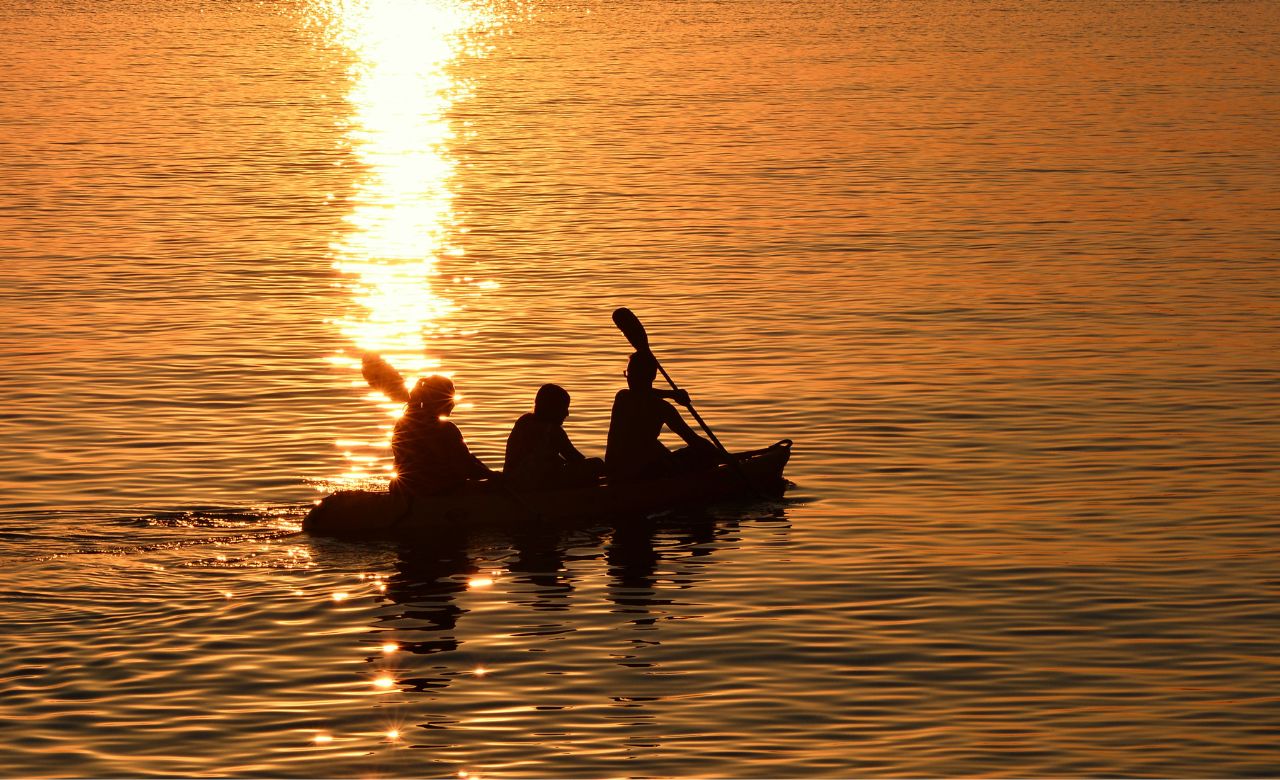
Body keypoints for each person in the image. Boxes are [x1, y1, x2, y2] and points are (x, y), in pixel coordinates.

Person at [605, 350, 721, 481]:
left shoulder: (626, 399)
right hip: (635, 474)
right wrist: (672, 394)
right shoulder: (626, 398)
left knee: (675, 450)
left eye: (631, 375)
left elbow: (691, 438)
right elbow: (693, 439)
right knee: (702, 453)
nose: (628, 379)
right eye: (628, 374)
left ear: (651, 376)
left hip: (621, 472)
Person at [390, 375, 495, 497]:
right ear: (437, 400)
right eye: (450, 398)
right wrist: (494, 476)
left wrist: (489, 472)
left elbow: (465, 459)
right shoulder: (447, 429)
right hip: (434, 491)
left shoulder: (402, 424)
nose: (453, 404)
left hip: (402, 489)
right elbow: (466, 467)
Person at [504, 383, 604, 489]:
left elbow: (540, 456)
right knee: (596, 464)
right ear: (552, 408)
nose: (567, 413)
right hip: (535, 484)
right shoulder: (553, 431)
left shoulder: (524, 421)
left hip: (513, 479)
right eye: (564, 408)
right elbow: (575, 458)